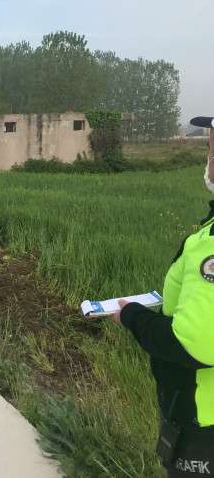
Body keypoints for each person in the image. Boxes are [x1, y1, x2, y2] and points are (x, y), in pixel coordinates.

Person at [113, 118, 214, 477]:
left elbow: (195, 344)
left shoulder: (210, 245)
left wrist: (132, 316)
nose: (208, 159)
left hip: (204, 425)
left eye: (210, 149)